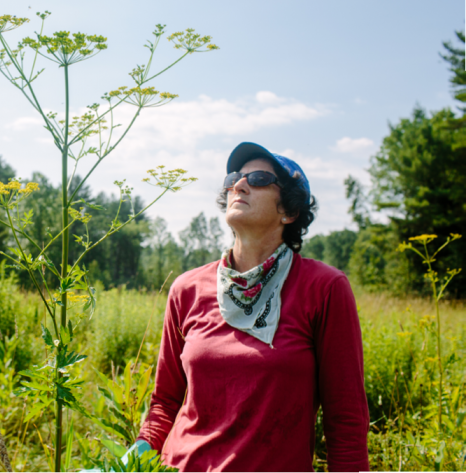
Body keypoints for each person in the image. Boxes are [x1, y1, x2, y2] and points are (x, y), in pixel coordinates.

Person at [130, 142, 370, 472]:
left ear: (289, 211)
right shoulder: (186, 289)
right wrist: (130, 460)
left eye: (257, 179)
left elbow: (346, 419)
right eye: (234, 178)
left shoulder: (324, 288)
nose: (238, 184)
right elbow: (164, 403)